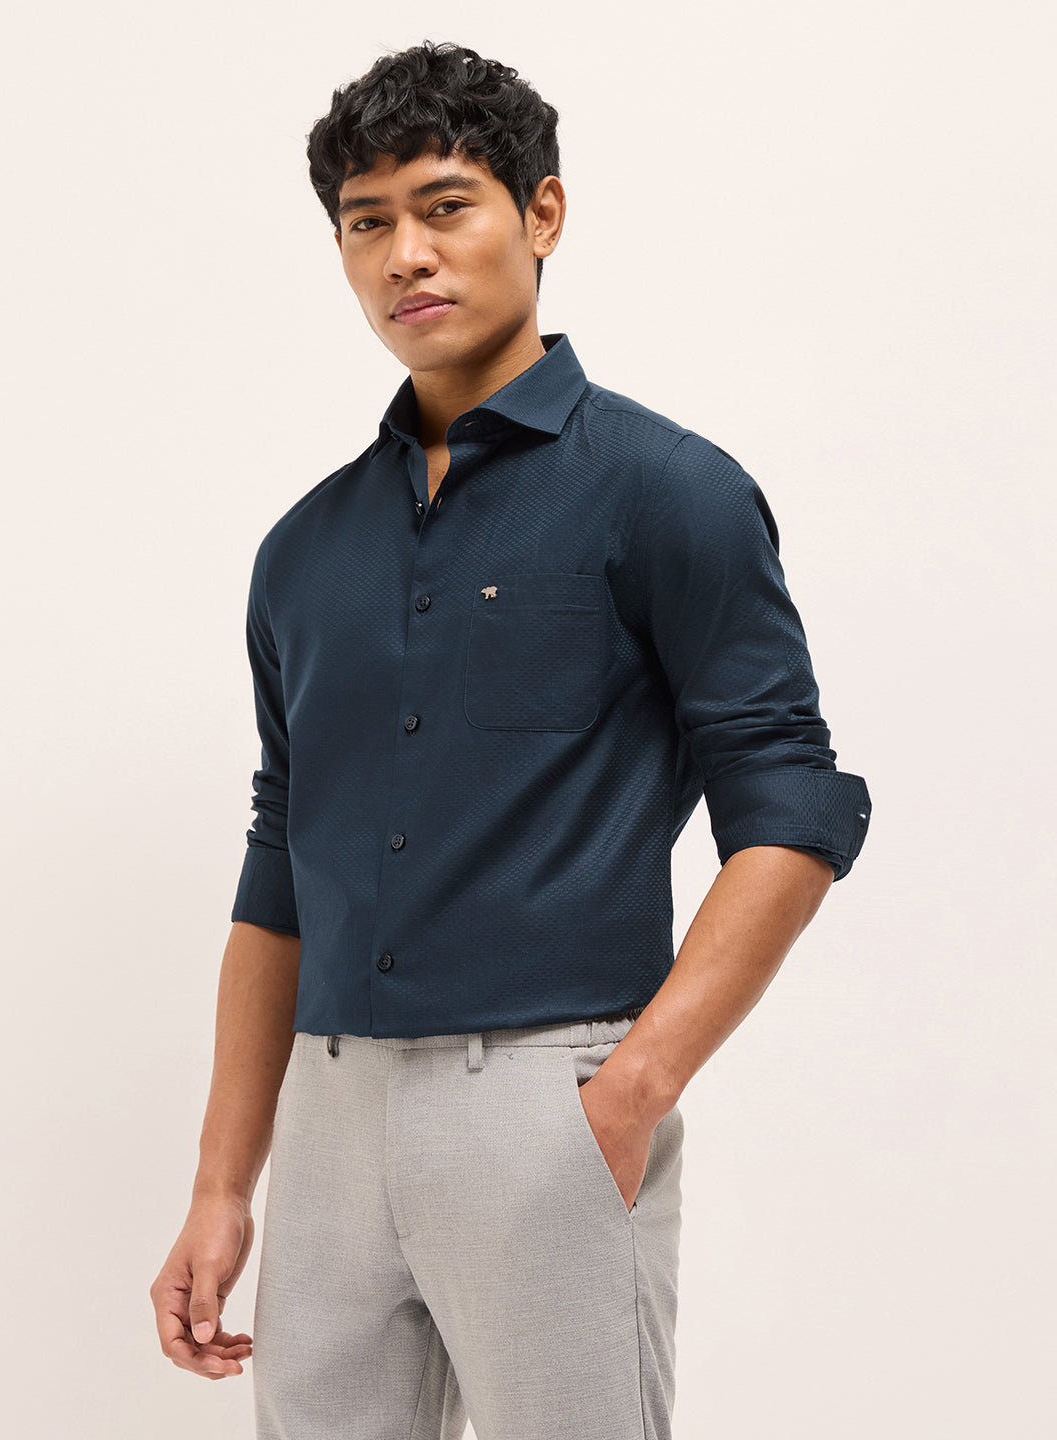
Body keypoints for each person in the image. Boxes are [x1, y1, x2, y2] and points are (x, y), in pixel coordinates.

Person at [151, 38, 872, 1440]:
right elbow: (278, 864)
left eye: (445, 206)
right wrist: (224, 1186)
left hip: (549, 1098)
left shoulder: (668, 492)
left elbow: (788, 806)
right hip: (330, 1111)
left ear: (542, 213)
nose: (406, 255)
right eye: (367, 224)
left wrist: (633, 1087)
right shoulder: (303, 550)